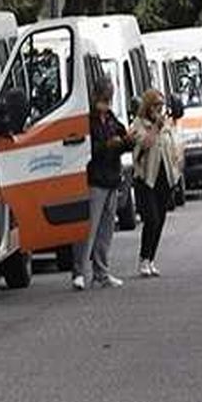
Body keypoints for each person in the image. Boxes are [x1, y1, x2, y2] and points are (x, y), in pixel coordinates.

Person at [74, 77, 129, 291]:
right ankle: (79, 271)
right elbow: (90, 149)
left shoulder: (112, 119)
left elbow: (124, 137)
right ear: (96, 97)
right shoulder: (89, 120)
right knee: (89, 228)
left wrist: (125, 141)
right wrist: (109, 144)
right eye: (104, 99)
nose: (107, 104)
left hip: (112, 177)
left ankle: (101, 272)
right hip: (95, 178)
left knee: (106, 229)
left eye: (109, 99)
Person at [130, 88, 180, 278]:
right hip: (146, 177)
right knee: (151, 219)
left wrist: (176, 170)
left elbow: (172, 146)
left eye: (161, 106)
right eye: (156, 106)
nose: (159, 110)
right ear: (148, 106)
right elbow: (144, 144)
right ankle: (143, 258)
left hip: (164, 177)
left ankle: (151, 259)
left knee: (160, 220)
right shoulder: (139, 124)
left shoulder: (165, 124)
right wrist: (155, 128)